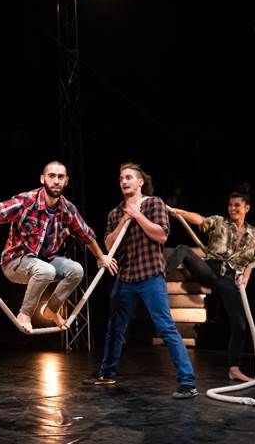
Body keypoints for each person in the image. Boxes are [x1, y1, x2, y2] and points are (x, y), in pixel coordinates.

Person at [0, 161, 117, 332]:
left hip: (47, 262)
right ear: (43, 179)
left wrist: (100, 257)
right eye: (52, 176)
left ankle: (51, 310)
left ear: (66, 181)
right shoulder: (27, 201)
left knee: (76, 270)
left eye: (60, 177)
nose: (56, 181)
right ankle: (25, 314)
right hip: (15, 263)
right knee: (46, 271)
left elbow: (86, 234)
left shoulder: (68, 209)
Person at [87, 162, 198, 400]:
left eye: (129, 177)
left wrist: (137, 215)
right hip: (125, 277)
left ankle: (188, 382)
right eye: (121, 178)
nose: (124, 181)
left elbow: (162, 235)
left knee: (165, 327)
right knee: (115, 327)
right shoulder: (115, 213)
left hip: (150, 275)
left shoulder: (154, 203)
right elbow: (109, 245)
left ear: (140, 182)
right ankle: (107, 373)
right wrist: (124, 220)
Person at [165, 183, 255, 382]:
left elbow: (252, 261)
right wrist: (177, 212)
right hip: (210, 270)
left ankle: (234, 368)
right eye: (230, 205)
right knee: (183, 249)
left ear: (247, 208)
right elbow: (200, 220)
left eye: (237, 205)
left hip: (230, 279)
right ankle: (158, 276)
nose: (232, 209)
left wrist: (245, 278)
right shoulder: (219, 222)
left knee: (240, 325)